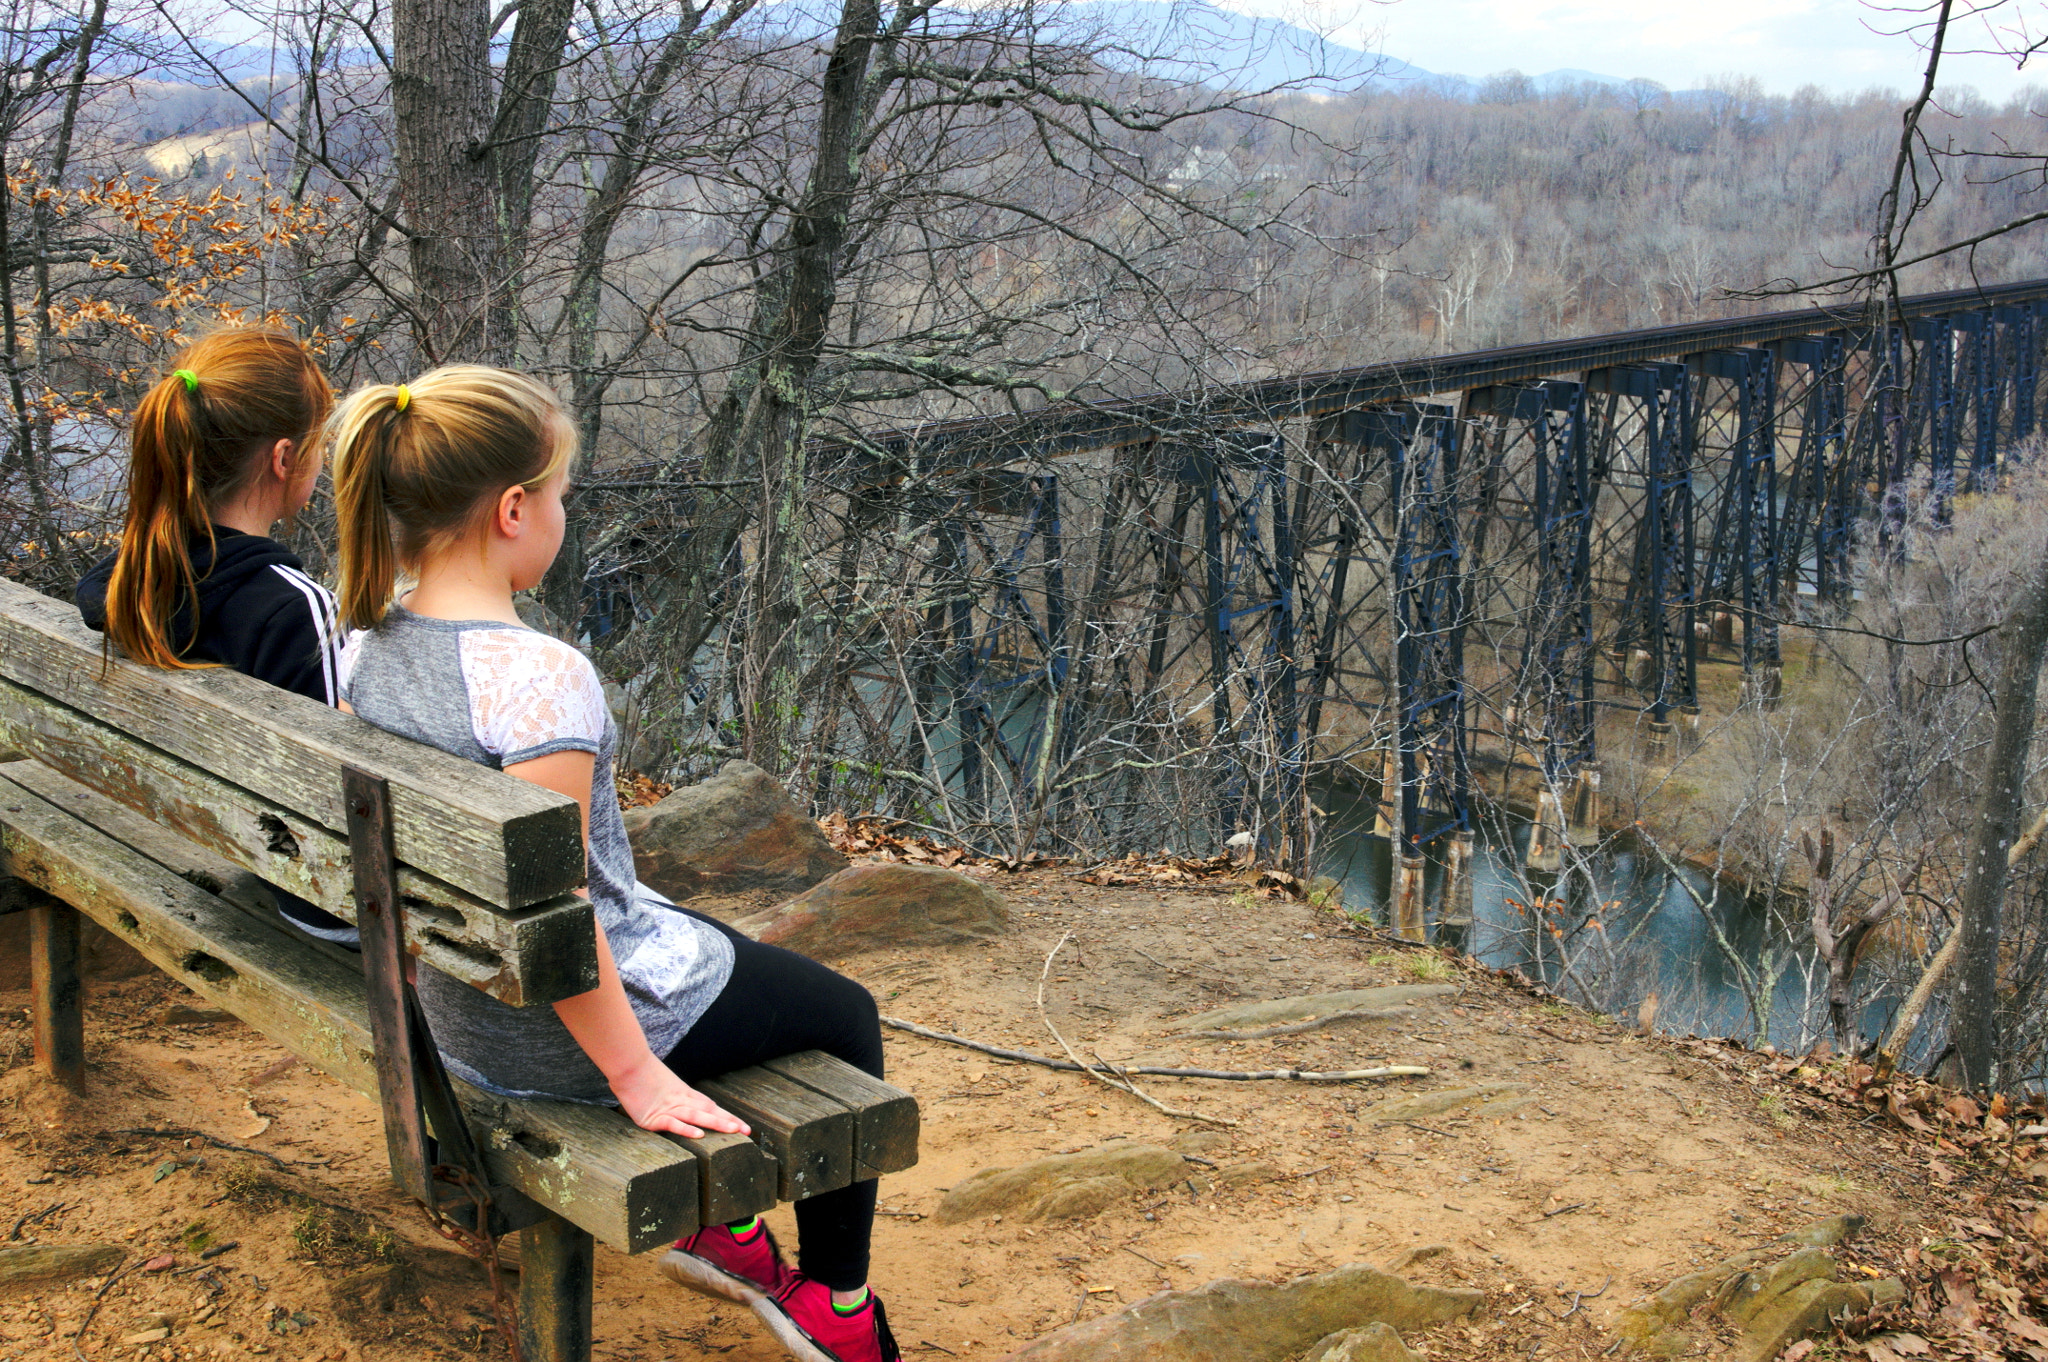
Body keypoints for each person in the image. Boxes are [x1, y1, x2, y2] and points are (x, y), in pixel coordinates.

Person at [327, 366, 898, 1362]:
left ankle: (728, 1235)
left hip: (452, 1008)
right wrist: (634, 1077)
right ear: (512, 510)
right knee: (846, 1014)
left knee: (717, 943)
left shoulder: (363, 643)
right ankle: (837, 1307)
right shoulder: (537, 682)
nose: (560, 513)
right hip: (552, 1045)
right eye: (559, 495)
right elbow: (555, 914)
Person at [75, 328, 360, 947]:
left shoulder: (133, 580)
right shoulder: (292, 605)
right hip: (321, 905)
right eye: (319, 446)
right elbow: (338, 794)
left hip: (202, 831)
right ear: (284, 459)